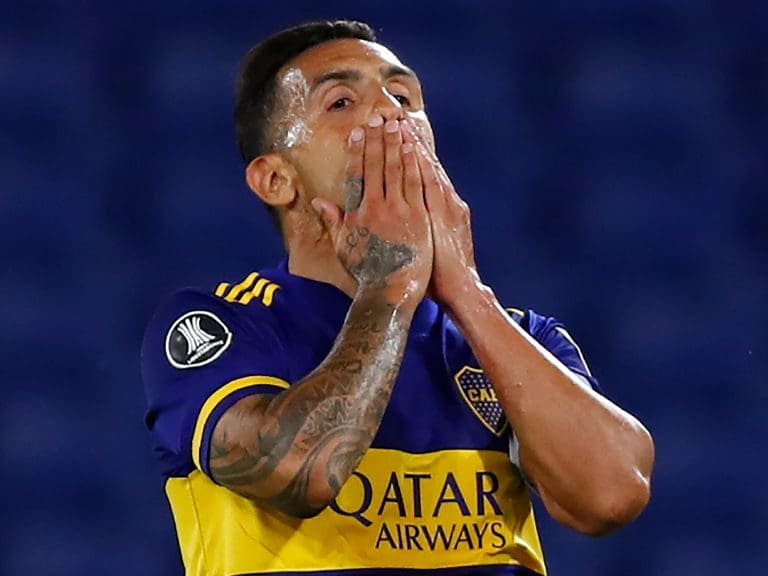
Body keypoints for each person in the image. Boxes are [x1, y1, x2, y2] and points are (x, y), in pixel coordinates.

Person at [141, 19, 654, 576]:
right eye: (341, 102)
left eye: (404, 95)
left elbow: (610, 496)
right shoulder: (222, 325)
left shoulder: (520, 337)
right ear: (275, 180)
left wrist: (465, 292)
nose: (390, 113)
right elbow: (295, 472)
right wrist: (391, 289)